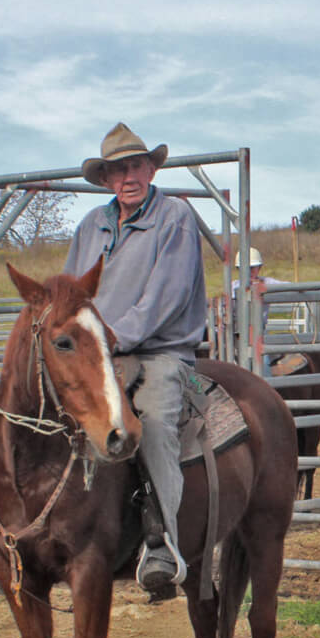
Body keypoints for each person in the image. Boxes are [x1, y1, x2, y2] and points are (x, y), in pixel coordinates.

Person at [62, 122, 208, 597]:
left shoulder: (175, 217)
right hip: (100, 352)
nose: (128, 176)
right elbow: (70, 294)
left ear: (151, 168)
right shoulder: (90, 226)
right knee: (32, 406)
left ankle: (164, 541)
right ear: (105, 179)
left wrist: (112, 337)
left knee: (157, 418)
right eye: (117, 169)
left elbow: (165, 295)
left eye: (136, 165)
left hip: (160, 349)